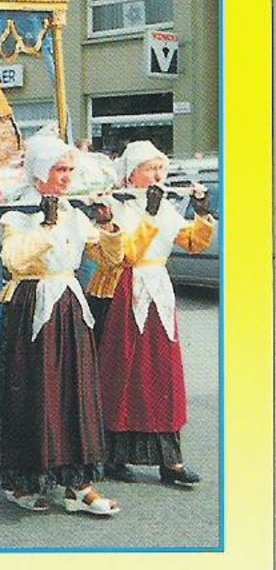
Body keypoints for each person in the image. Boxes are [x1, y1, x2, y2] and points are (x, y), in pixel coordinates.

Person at [0, 134, 124, 515]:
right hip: (31, 306)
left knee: (74, 391)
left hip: (68, 304)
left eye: (69, 169)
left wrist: (109, 224)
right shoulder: (16, 216)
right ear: (38, 173)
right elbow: (14, 261)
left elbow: (110, 257)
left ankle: (78, 485)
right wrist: (45, 228)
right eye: (59, 169)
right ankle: (25, 481)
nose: (67, 177)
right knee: (36, 390)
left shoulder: (75, 214)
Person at [91, 140, 216, 488]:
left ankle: (170, 461)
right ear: (133, 174)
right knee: (123, 372)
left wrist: (203, 213)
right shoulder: (116, 205)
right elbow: (121, 254)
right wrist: (147, 216)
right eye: (151, 169)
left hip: (158, 288)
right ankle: (113, 455)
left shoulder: (164, 206)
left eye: (161, 168)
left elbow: (194, 243)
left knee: (163, 375)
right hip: (125, 291)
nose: (159, 175)